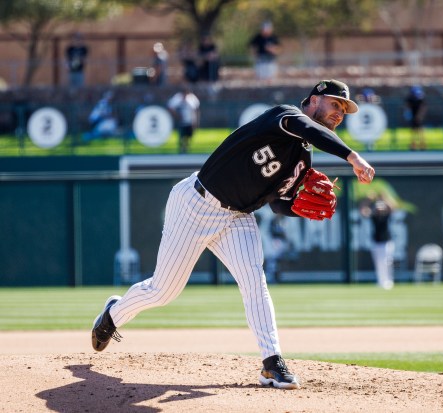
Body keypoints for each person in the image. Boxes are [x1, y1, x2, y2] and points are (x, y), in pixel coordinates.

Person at [90, 79, 375, 390]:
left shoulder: (302, 160)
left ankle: (272, 362)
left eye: (344, 110)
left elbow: (279, 204)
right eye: (335, 104)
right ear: (313, 100)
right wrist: (352, 156)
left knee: (255, 281)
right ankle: (112, 314)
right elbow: (310, 130)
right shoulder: (284, 116)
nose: (339, 113)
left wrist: (302, 209)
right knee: (164, 291)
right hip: (195, 203)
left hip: (237, 216)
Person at [360, 193, 395, 290]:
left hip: (386, 242)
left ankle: (389, 281)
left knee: (387, 263)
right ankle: (381, 281)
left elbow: (392, 208)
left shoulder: (386, 215)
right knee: (379, 263)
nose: (380, 209)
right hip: (376, 242)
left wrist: (384, 197)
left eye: (381, 207)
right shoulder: (374, 216)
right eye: (378, 207)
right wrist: (368, 199)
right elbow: (363, 211)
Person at [167, 87, 200, 153]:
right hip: (182, 122)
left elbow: (196, 110)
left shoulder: (192, 98)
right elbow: (170, 107)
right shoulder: (177, 98)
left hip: (190, 121)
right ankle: (182, 148)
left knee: (189, 135)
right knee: (182, 135)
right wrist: (177, 115)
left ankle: (186, 147)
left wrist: (196, 120)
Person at [404, 86, 427, 150]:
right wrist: (408, 114)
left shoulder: (420, 99)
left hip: (418, 116)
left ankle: (422, 144)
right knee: (413, 130)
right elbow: (407, 106)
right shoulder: (410, 98)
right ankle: (413, 144)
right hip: (413, 115)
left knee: (420, 130)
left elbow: (423, 107)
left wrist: (419, 116)